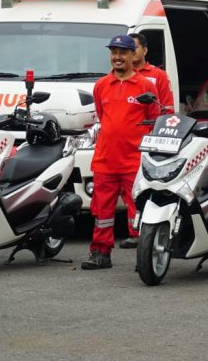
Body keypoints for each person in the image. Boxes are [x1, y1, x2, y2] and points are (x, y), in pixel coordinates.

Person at [82, 35, 157, 270]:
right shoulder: (101, 85)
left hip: (134, 160)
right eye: (114, 52)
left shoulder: (146, 86)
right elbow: (103, 117)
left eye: (122, 52)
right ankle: (100, 253)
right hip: (105, 160)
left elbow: (153, 121)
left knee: (139, 210)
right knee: (102, 212)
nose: (117, 57)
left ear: (133, 55)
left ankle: (144, 258)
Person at [115, 32, 175, 249]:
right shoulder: (115, 77)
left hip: (145, 143)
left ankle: (139, 233)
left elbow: (166, 109)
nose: (129, 52)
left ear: (144, 50)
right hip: (119, 145)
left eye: (134, 48)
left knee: (138, 189)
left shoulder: (156, 76)